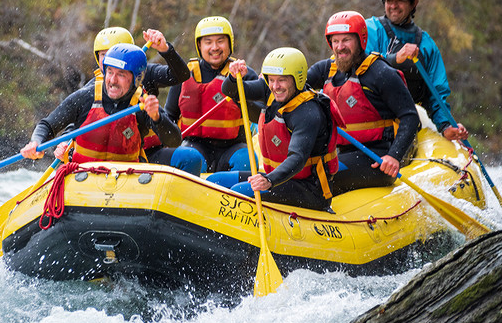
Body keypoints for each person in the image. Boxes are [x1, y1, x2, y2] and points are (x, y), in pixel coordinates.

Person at [208, 47, 343, 211]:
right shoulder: (269, 89)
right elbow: (232, 91)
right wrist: (233, 75)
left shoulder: (308, 113)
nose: (275, 86)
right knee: (215, 181)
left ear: (297, 79)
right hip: (278, 178)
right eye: (271, 80)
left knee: (238, 193)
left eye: (282, 80)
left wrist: (269, 180)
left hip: (309, 188)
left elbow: (297, 158)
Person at [307, 11, 420, 195]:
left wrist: (394, 156)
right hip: (339, 152)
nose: (340, 47)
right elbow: (291, 88)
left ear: (361, 40)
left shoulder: (381, 73)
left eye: (346, 40)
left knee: (318, 175)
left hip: (375, 158)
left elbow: (409, 116)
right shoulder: (325, 69)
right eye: (335, 41)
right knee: (302, 171)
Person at [20, 43, 181, 163]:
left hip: (127, 178)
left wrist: (157, 118)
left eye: (121, 74)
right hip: (83, 174)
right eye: (109, 72)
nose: (112, 80)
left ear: (136, 78)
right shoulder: (86, 97)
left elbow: (174, 141)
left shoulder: (142, 104)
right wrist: (36, 142)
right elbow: (47, 125)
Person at [365, 0, 467, 141]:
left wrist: (446, 126)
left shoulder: (426, 45)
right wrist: (394, 59)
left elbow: (436, 92)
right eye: (389, 1)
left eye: (400, 1)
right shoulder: (371, 30)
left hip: (407, 121)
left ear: (414, 3)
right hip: (372, 118)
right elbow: (360, 67)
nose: (393, 6)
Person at [164, 16, 260, 173]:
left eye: (220, 41)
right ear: (199, 46)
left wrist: (238, 93)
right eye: (208, 42)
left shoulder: (244, 74)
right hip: (194, 145)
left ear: (230, 44)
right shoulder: (184, 74)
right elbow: (169, 116)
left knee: (246, 161)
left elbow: (260, 117)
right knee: (186, 157)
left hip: (234, 147)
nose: (215, 47)